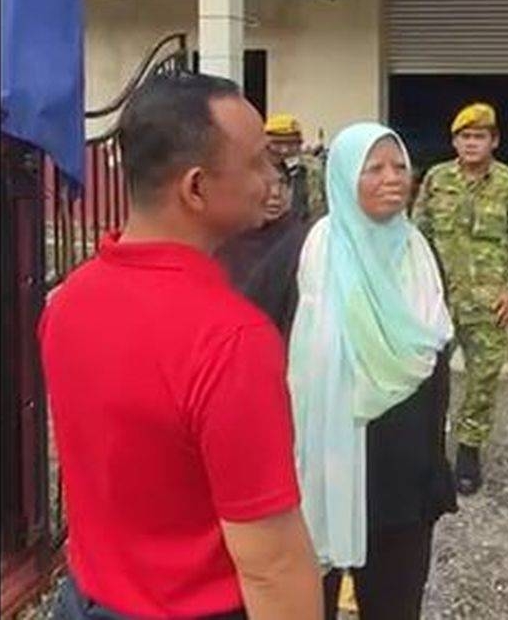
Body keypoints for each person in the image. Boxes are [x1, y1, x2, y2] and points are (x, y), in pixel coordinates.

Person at [39, 74, 322, 619]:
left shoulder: (68, 302)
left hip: (85, 600)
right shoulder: (231, 341)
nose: (272, 178)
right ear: (196, 188)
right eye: (259, 161)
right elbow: (272, 565)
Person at [288, 122, 457, 620]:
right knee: (309, 603)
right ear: (342, 177)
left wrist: (432, 463)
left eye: (400, 166)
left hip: (402, 479)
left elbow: (436, 375)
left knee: (395, 604)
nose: (393, 179)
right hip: (326, 465)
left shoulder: (420, 258)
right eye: (374, 168)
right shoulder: (308, 259)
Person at [412, 102, 508, 495]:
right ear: (454, 142)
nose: (471, 143)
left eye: (478, 136)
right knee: (428, 378)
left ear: (494, 141)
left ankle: (469, 449)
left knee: (483, 377)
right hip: (438, 301)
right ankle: (428, 449)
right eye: (464, 137)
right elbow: (417, 237)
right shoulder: (436, 179)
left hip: (488, 303)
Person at [216, 159, 312, 339]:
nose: (275, 194)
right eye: (265, 184)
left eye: (282, 184)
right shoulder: (223, 244)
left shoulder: (307, 242)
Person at [265, 113, 327, 221]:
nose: (285, 150)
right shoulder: (251, 171)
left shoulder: (312, 170)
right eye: (277, 143)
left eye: (292, 144)